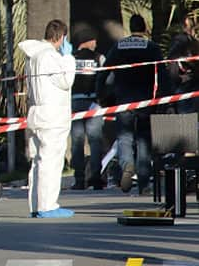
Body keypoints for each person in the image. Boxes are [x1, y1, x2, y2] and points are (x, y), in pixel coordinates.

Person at [97, 14, 169, 194]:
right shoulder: (151, 47)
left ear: (130, 27)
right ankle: (144, 184)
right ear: (144, 28)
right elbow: (162, 72)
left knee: (124, 138)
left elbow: (104, 71)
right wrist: (166, 98)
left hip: (123, 101)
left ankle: (127, 164)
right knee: (144, 140)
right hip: (145, 100)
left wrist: (101, 94)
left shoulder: (118, 47)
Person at [18, 19, 76, 218]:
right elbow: (66, 80)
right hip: (52, 116)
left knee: (38, 162)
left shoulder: (33, 56)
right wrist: (68, 58)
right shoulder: (50, 56)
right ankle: (48, 206)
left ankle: (36, 205)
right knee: (51, 161)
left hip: (36, 113)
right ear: (61, 37)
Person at [70, 29, 105, 190]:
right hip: (93, 104)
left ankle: (79, 179)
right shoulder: (99, 58)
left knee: (77, 142)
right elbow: (106, 78)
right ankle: (96, 178)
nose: (96, 43)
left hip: (74, 103)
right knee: (95, 141)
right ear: (88, 41)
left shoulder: (70, 59)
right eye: (94, 40)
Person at [167, 15, 198, 113]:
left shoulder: (191, 41)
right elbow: (173, 67)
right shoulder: (181, 41)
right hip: (184, 88)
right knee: (184, 125)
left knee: (186, 125)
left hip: (188, 88)